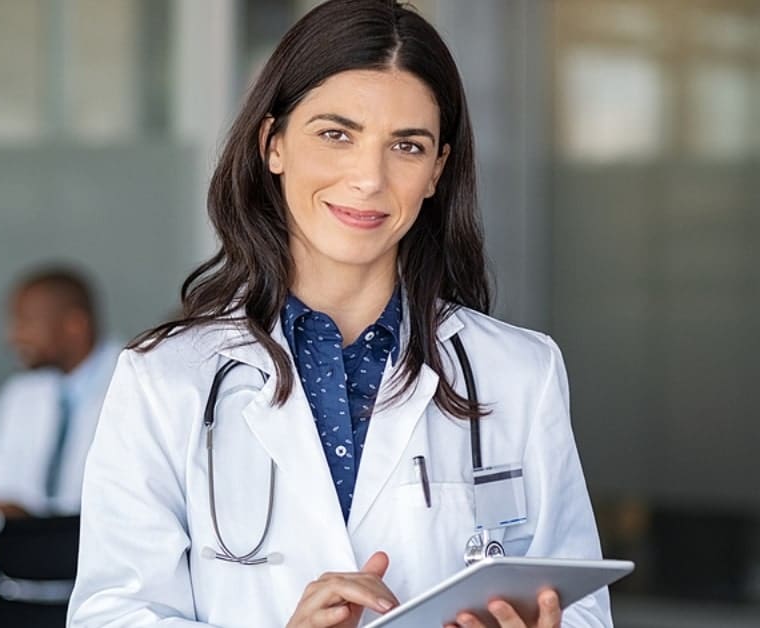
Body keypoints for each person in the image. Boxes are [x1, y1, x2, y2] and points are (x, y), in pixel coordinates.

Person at [67, 1, 611, 627]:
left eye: (406, 146)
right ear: (273, 143)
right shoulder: (165, 378)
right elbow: (111, 615)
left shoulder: (520, 372)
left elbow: (582, 608)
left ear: (436, 170)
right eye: (336, 134)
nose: (368, 178)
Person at [0, 267, 118, 546]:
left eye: (26, 323)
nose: (13, 338)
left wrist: (31, 523)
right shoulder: (21, 395)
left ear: (74, 326)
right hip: (21, 575)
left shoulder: (136, 387)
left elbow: (123, 514)